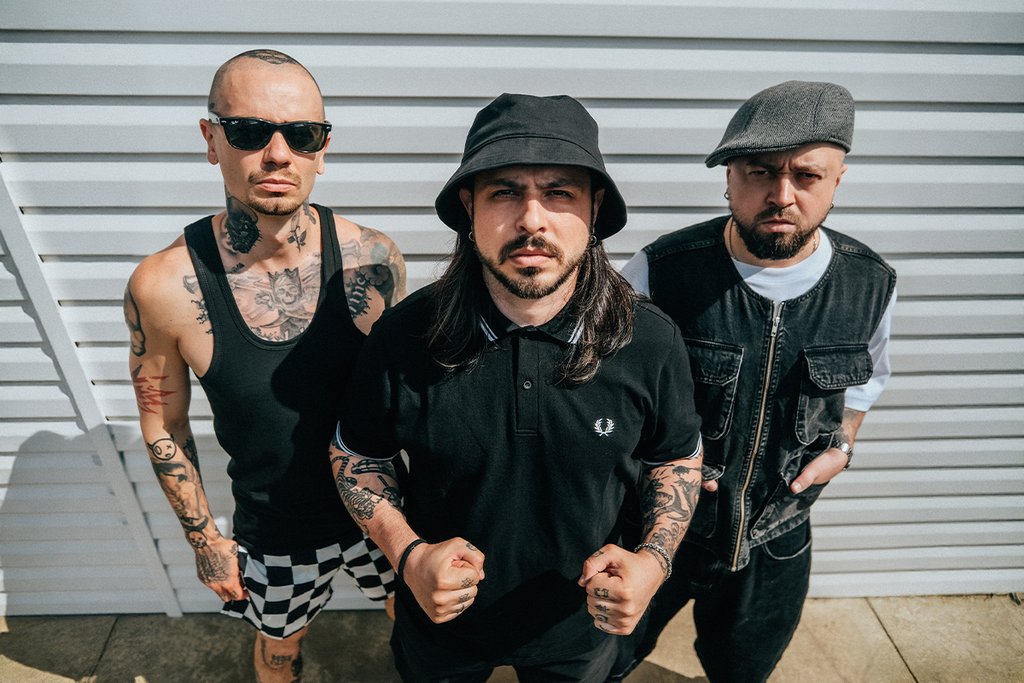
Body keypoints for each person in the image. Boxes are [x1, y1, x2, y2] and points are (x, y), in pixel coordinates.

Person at [328, 93, 704, 681]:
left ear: (595, 208)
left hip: (582, 625)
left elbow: (675, 457)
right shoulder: (405, 336)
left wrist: (654, 562)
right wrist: (408, 555)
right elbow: (357, 455)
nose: (532, 220)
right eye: (504, 192)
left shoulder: (648, 339)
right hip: (442, 624)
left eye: (560, 193)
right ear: (468, 207)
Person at [124, 49, 406, 682]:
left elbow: (409, 397)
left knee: (415, 622)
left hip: (383, 510)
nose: (279, 154)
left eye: (302, 134)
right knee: (279, 650)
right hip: (276, 531)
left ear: (322, 149)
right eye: (250, 131)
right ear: (211, 139)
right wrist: (206, 541)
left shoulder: (374, 260)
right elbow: (164, 423)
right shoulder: (163, 286)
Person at [613, 80, 898, 682]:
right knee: (606, 659)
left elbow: (865, 383)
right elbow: (604, 394)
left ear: (838, 181)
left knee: (743, 670)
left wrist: (843, 446)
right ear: (729, 177)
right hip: (655, 527)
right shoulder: (660, 271)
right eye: (761, 172)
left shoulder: (870, 284)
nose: (782, 195)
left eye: (807, 176)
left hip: (779, 535)